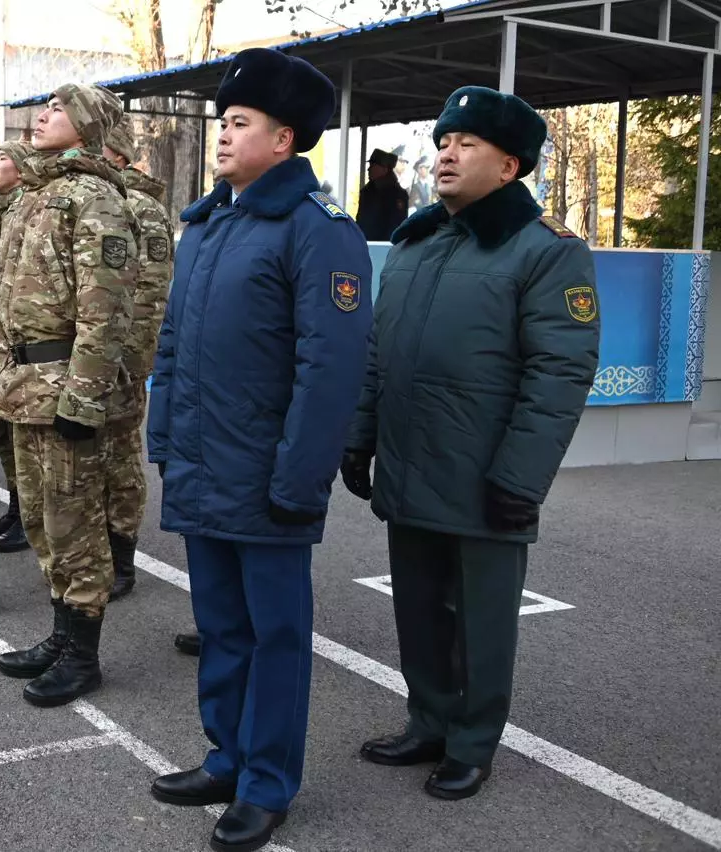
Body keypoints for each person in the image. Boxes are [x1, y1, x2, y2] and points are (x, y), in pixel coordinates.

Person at [343, 86, 600, 801]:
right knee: (418, 608)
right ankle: (428, 719)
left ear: (510, 166)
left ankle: (473, 741)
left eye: (467, 144)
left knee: (481, 621)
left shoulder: (545, 252)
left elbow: (561, 372)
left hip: (485, 475)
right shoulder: (418, 243)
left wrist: (521, 479)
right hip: (411, 462)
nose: (447, 153)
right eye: (444, 140)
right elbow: (378, 351)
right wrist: (360, 437)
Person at [145, 48, 372, 852]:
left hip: (269, 474)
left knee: (275, 635)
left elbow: (331, 366)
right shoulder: (207, 227)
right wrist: (164, 437)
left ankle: (268, 783)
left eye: (239, 123)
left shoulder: (318, 231)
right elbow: (172, 344)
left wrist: (300, 477)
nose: (223, 135)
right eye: (223, 122)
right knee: (221, 626)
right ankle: (226, 757)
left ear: (285, 140)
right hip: (205, 467)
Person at [0, 83, 134, 707]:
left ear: (89, 124)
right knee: (42, 521)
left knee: (74, 523)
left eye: (58, 109)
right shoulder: (37, 195)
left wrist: (85, 397)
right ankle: (60, 633)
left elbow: (105, 312)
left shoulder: (95, 198)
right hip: (27, 385)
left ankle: (83, 654)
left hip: (63, 387)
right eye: (44, 107)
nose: (43, 116)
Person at [100, 113, 173, 602]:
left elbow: (150, 294)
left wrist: (130, 358)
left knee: (120, 458)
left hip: (123, 356)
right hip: (85, 353)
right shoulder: (92, 199)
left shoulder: (141, 208)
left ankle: (121, 553)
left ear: (120, 155)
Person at [0, 140, 32, 554]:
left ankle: (27, 514)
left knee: (19, 436)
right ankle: (18, 508)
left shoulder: (26, 209)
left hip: (17, 346)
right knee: (3, 435)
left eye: (3, 159)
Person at [357, 149, 408, 241]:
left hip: (386, 247)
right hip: (365, 245)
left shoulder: (397, 195)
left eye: (373, 166)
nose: (369, 169)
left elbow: (397, 226)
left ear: (384, 169)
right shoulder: (366, 192)